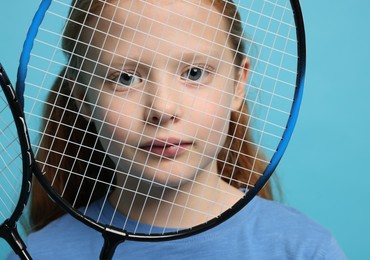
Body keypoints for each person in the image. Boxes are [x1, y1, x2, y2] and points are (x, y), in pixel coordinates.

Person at [10, 0, 346, 259]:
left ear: (238, 84)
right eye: (125, 78)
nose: (163, 109)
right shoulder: (39, 254)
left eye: (195, 73)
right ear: (83, 98)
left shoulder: (304, 249)